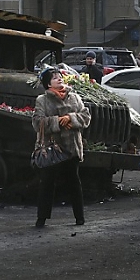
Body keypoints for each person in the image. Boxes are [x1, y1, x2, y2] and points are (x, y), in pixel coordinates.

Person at [32, 67, 91, 227]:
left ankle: (80, 217)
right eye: (54, 78)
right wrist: (58, 121)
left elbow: (86, 117)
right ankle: (41, 218)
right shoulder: (42, 100)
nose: (59, 79)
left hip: (71, 148)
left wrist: (70, 118)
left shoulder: (75, 97)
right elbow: (38, 122)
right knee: (47, 183)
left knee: (74, 182)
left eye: (60, 76)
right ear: (47, 84)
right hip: (53, 149)